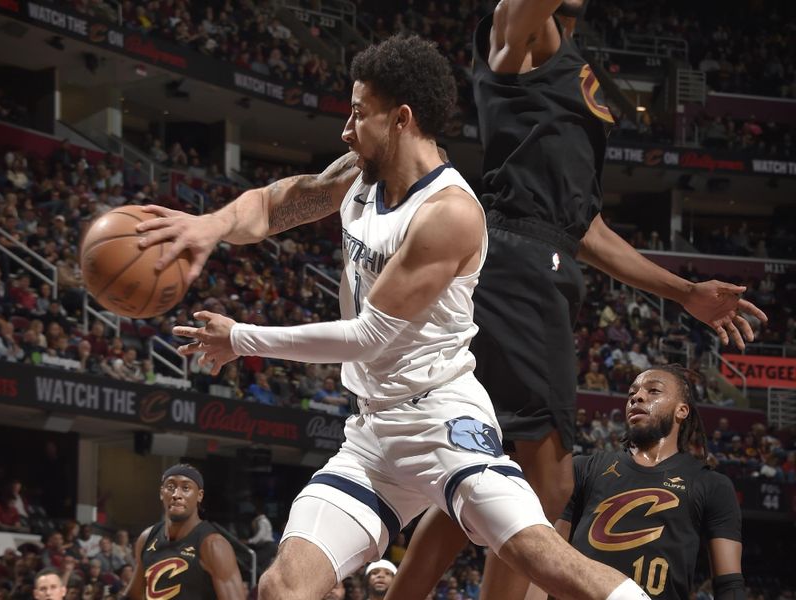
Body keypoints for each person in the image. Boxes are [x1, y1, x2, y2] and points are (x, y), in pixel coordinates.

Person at [139, 35, 650, 600]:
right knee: (282, 587)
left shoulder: (448, 213)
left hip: (442, 423)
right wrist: (207, 227)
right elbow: (270, 205)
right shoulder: (361, 176)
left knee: (549, 562)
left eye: (358, 113)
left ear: (401, 118)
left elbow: (370, 336)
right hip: (371, 434)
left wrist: (239, 337)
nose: (345, 129)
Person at [384, 1, 768, 598]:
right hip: (521, 266)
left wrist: (686, 292)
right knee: (550, 481)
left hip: (541, 258)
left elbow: (586, 229)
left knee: (483, 473)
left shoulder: (569, 59)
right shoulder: (521, 31)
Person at [529, 365, 744, 600]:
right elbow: (547, 562)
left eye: (654, 391)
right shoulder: (584, 468)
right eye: (632, 394)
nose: (637, 397)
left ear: (682, 411)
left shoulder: (711, 484)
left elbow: (728, 585)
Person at [123, 464, 245, 599]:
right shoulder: (147, 537)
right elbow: (133, 595)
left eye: (185, 488)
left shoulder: (213, 545)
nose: (176, 494)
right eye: (170, 487)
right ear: (161, 493)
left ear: (199, 495)